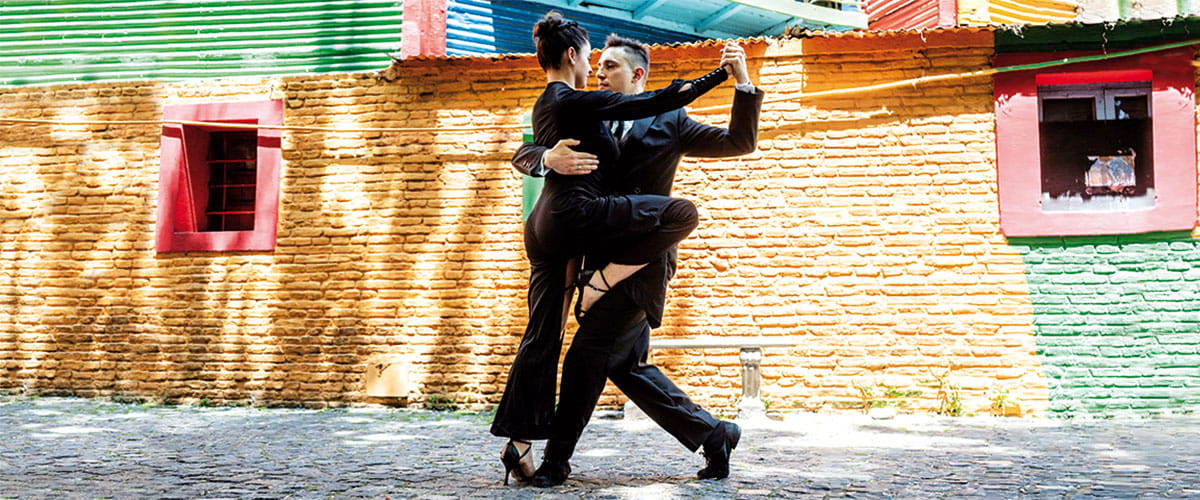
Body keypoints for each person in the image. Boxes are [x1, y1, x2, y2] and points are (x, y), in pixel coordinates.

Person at [489, 12, 733, 485]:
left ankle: (524, 443)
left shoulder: (567, 102)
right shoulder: (575, 100)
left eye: (609, 66)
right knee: (681, 214)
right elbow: (524, 152)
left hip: (564, 237)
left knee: (576, 348)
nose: (596, 71)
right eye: (591, 61)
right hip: (574, 226)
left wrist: (731, 82)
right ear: (571, 57)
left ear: (636, 73)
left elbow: (722, 133)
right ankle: (554, 459)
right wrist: (546, 157)